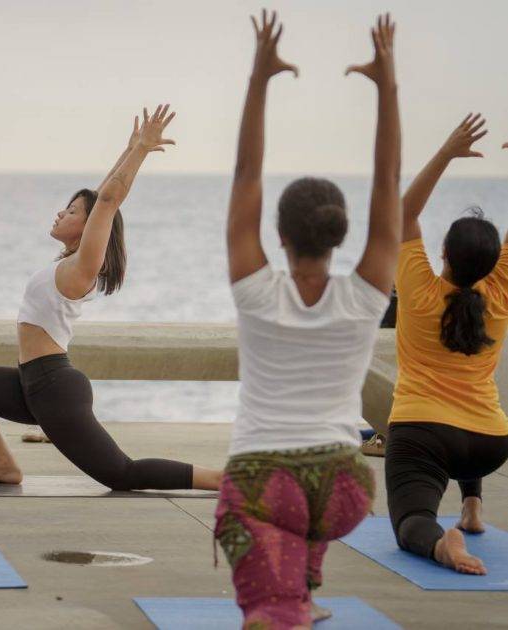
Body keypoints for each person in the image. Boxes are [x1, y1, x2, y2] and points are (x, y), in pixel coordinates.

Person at [214, 12, 400, 629]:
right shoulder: (367, 295)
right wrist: (388, 85)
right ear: (341, 234)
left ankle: (283, 607)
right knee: (301, 530)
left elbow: (246, 176)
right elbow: (389, 184)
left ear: (281, 235)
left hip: (264, 476)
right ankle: (303, 590)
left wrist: (259, 79)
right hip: (345, 488)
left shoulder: (257, 292)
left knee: (266, 613)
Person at [0, 106, 223, 493]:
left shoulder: (81, 269)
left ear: (88, 227)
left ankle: (225, 481)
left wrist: (141, 151)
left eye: (72, 211)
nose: (61, 212)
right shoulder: (67, 263)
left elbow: (107, 202)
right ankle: (3, 464)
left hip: (53, 387)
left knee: (121, 475)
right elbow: (102, 195)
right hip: (33, 383)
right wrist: (128, 150)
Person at [386, 113, 508, 576]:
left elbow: (403, 213)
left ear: (442, 254)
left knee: (412, 522)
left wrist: (446, 152)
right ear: (494, 263)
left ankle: (444, 546)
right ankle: (472, 505)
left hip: (424, 434)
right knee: (465, 406)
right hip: (490, 442)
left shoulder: (419, 291)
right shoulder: (499, 295)